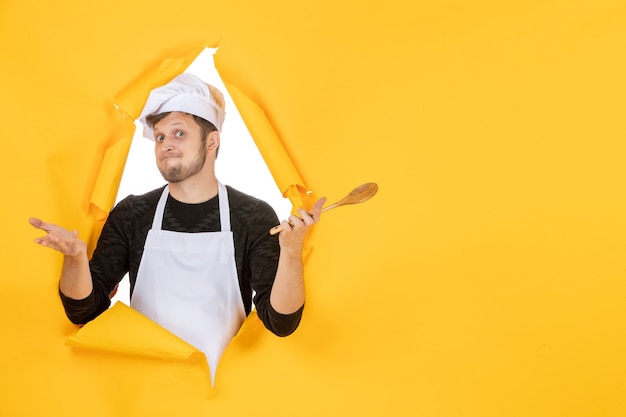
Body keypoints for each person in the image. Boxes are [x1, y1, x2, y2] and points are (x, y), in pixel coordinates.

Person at [29, 73, 325, 382]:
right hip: (146, 393)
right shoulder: (133, 213)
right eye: (159, 136)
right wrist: (75, 259)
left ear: (212, 141)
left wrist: (291, 254)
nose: (166, 144)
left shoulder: (252, 216)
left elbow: (281, 322)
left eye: (179, 133)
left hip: (222, 396)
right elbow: (84, 312)